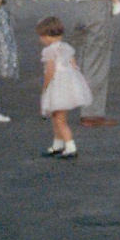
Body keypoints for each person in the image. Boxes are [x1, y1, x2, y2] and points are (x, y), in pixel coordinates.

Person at [63, 0, 119, 128]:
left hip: (81, 6)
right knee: (97, 60)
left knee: (86, 59)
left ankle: (84, 105)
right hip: (97, 6)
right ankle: (92, 113)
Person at [36, 16, 92, 160]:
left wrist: (45, 88)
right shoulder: (67, 48)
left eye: (41, 37)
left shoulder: (49, 51)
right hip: (68, 86)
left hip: (57, 86)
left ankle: (70, 146)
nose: (40, 40)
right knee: (57, 116)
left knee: (59, 120)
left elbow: (50, 71)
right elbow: (73, 65)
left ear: (47, 36)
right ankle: (58, 144)